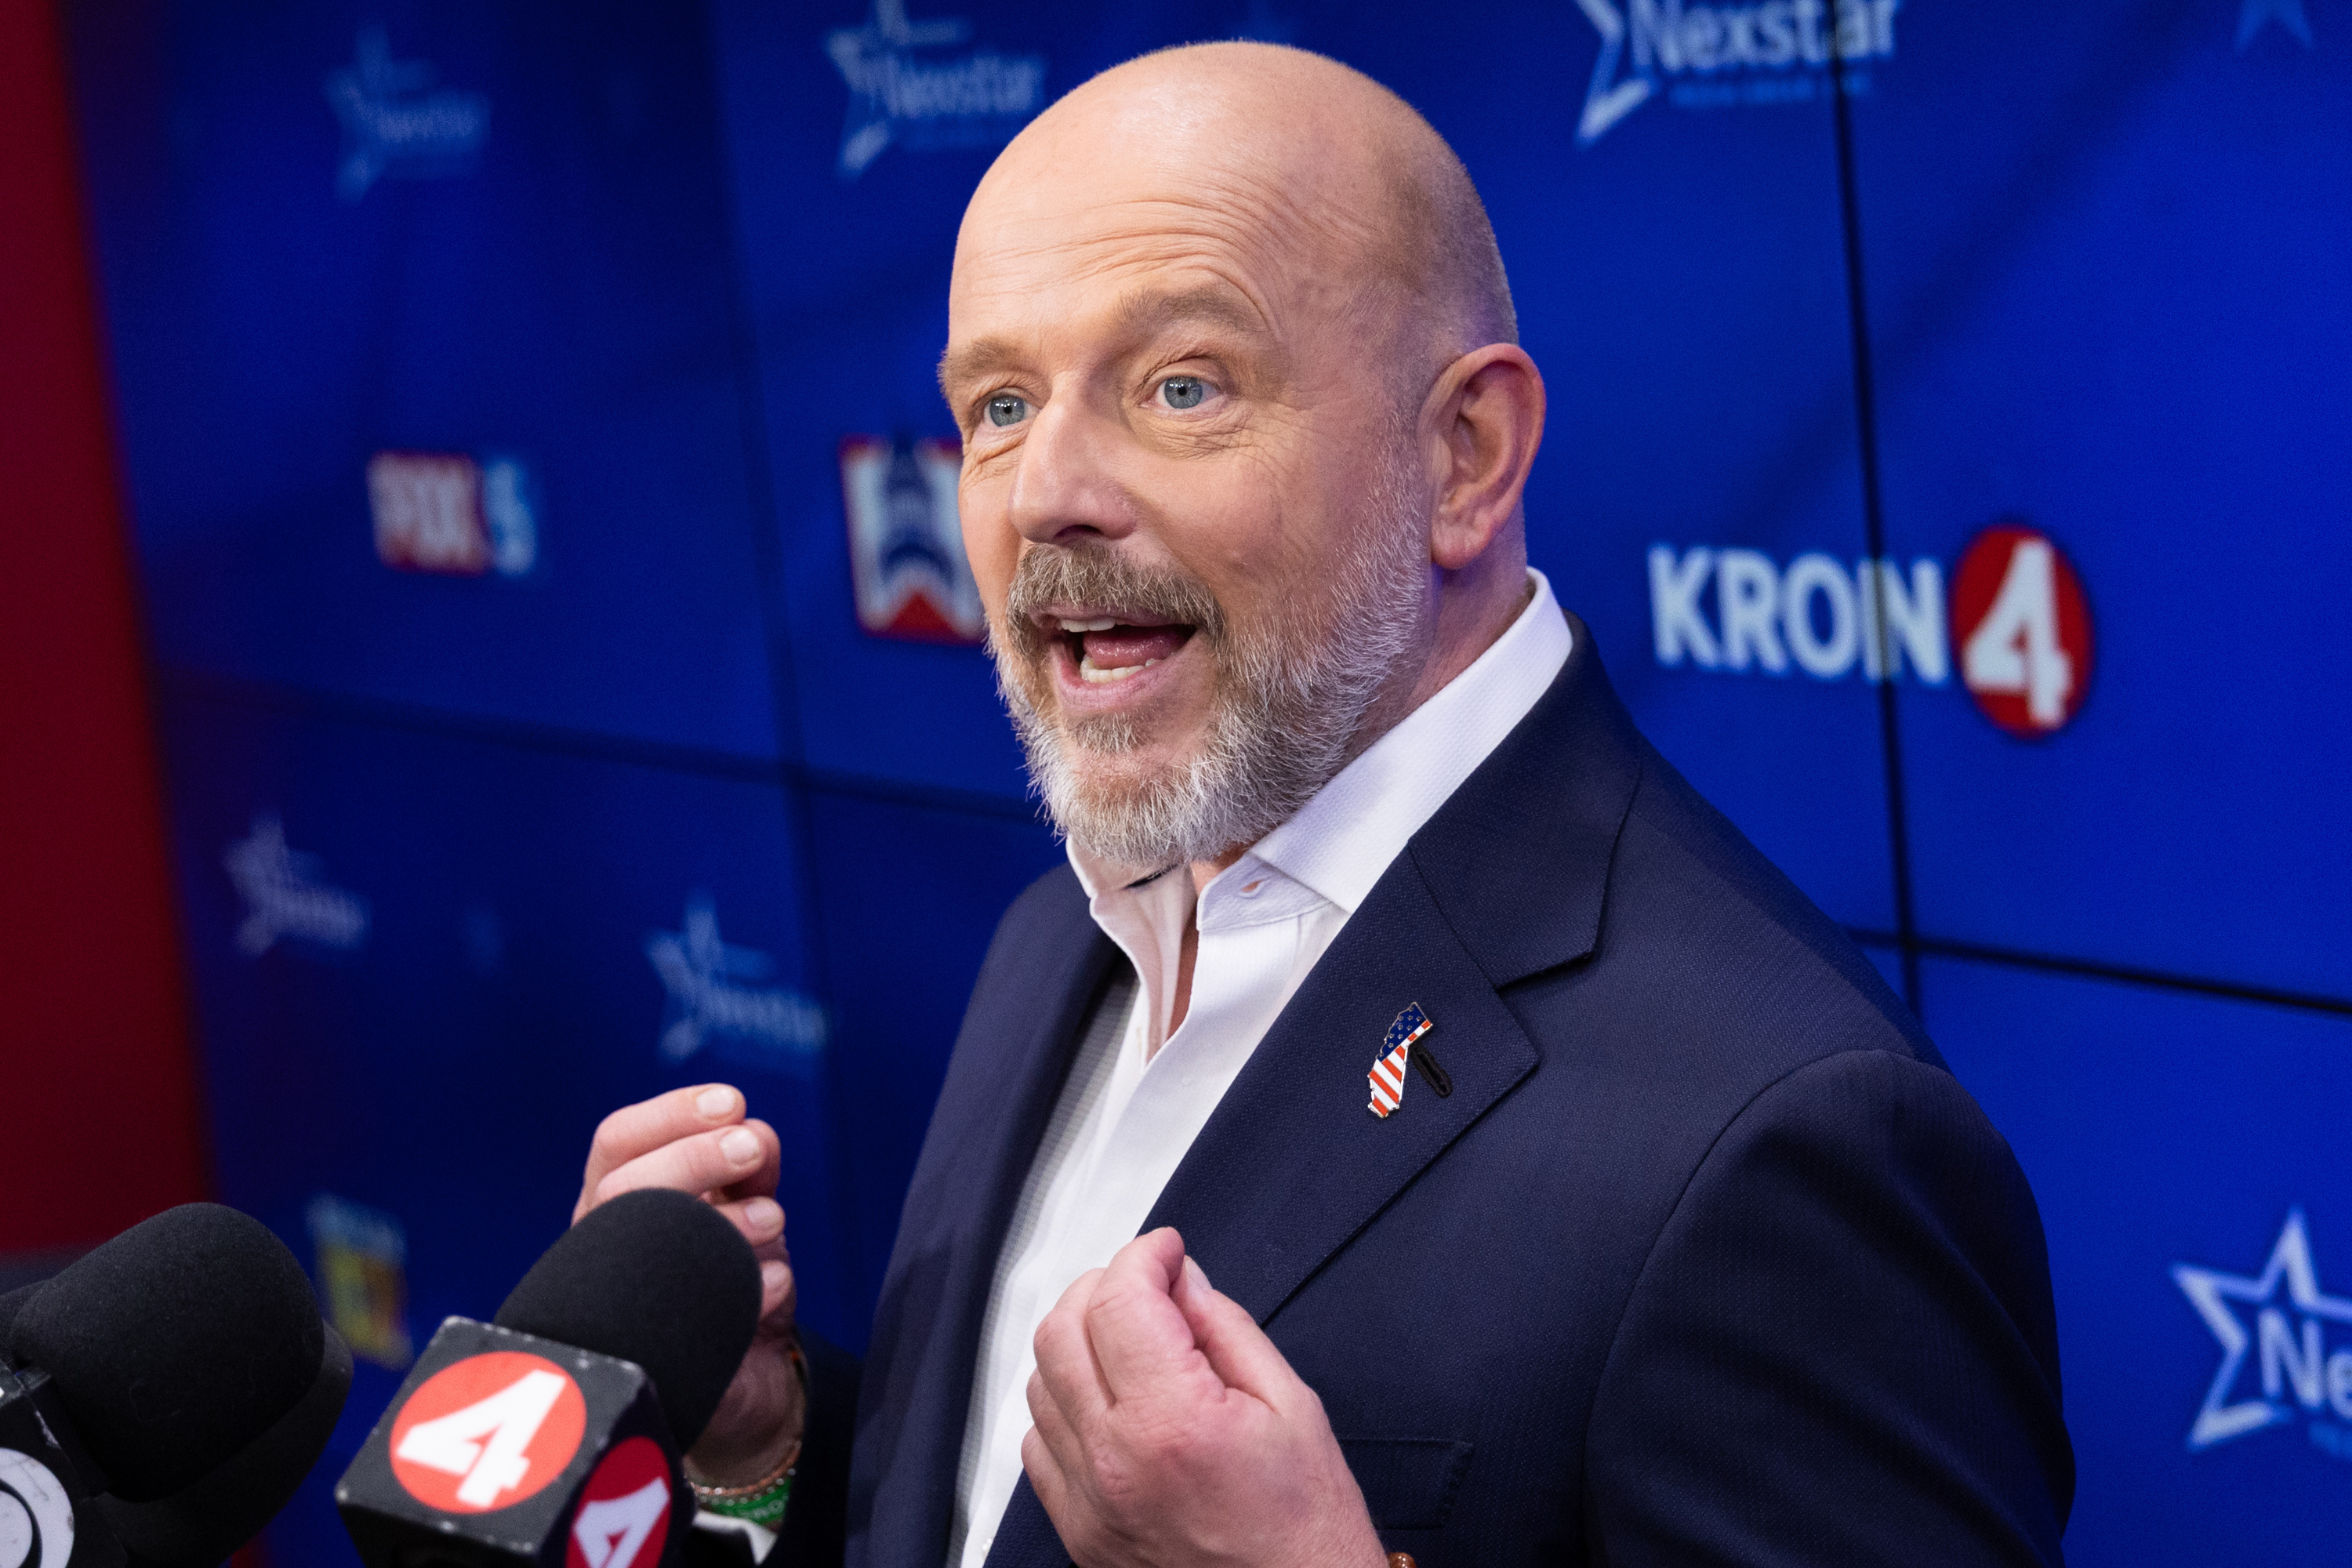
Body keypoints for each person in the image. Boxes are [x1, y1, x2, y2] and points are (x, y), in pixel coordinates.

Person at [575, 41, 2074, 1568]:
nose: (1046, 495)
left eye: (1180, 384)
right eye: (1002, 405)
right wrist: (764, 1464)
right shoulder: (1058, 939)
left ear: (1464, 455)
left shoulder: (1779, 1132)